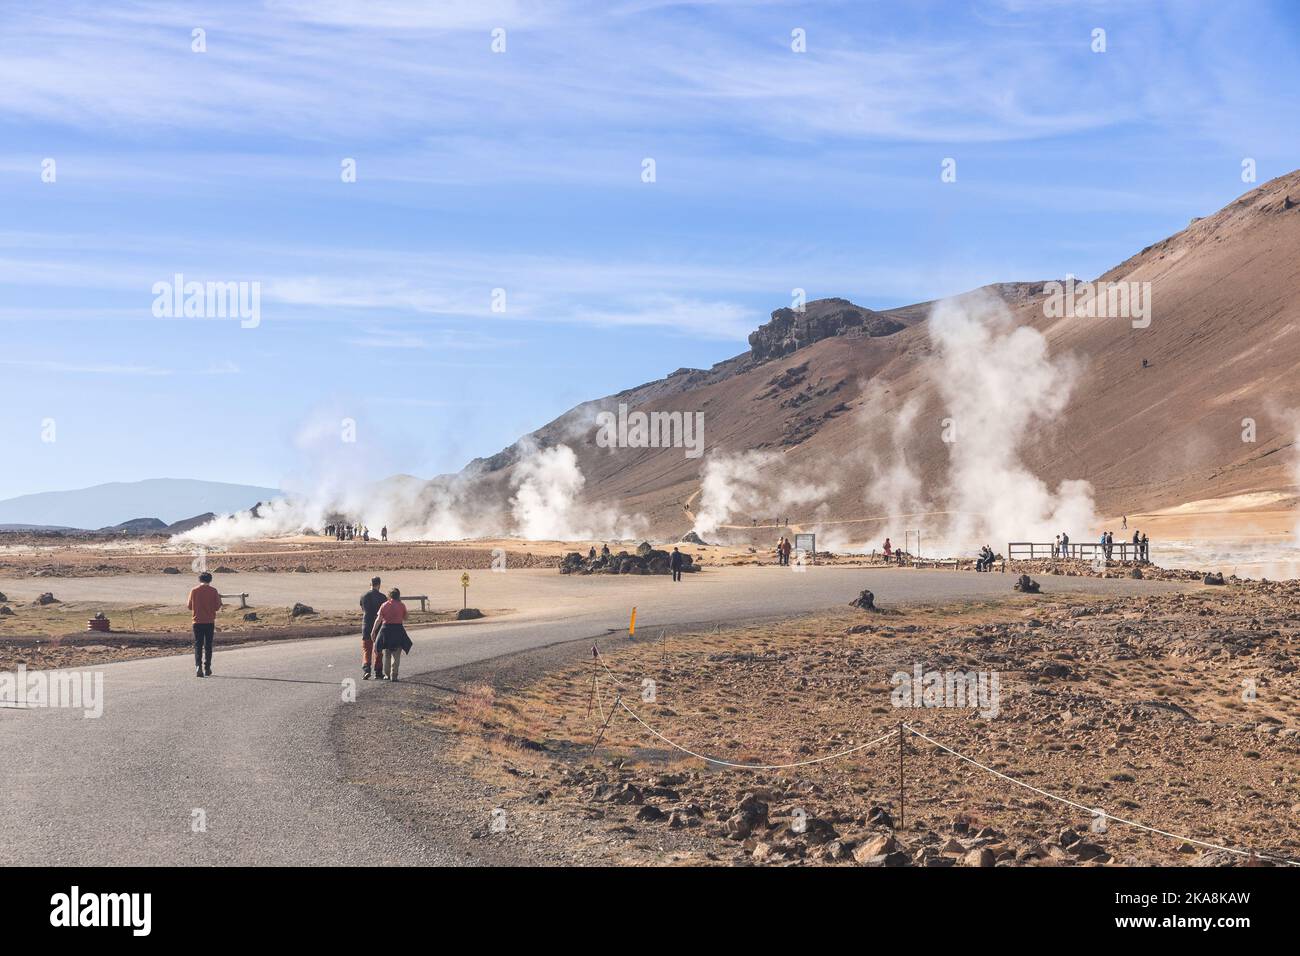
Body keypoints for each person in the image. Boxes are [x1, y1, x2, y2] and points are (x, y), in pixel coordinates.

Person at [187, 571, 223, 678]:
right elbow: (217, 606)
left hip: (197, 621)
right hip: (209, 621)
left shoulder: (194, 591)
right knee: (208, 645)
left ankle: (198, 666)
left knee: (198, 644)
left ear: (200, 580)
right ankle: (207, 667)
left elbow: (189, 606)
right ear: (210, 580)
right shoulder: (213, 591)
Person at [372, 588, 412, 682]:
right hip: (398, 630)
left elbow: (378, 620)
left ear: (389, 596)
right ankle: (394, 675)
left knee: (387, 653)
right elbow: (406, 618)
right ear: (398, 595)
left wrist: (373, 631)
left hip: (386, 630)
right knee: (396, 654)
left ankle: (387, 674)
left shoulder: (384, 605)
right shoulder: (402, 605)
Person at [360, 576, 386, 680]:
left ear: (370, 584)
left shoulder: (363, 596)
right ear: (379, 584)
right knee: (378, 649)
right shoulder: (383, 597)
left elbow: (362, 608)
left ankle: (366, 669)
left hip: (366, 624)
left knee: (367, 648)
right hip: (378, 626)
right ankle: (378, 671)